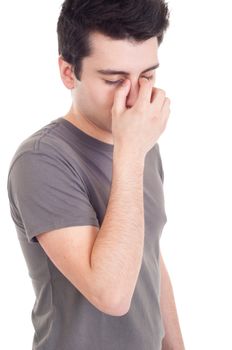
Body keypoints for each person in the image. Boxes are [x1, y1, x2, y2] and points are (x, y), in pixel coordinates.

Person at [7, 0, 185, 349]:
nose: (135, 98)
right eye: (115, 80)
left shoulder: (141, 144)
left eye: (147, 76)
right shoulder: (41, 159)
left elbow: (148, 256)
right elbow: (112, 294)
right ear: (68, 72)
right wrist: (131, 152)